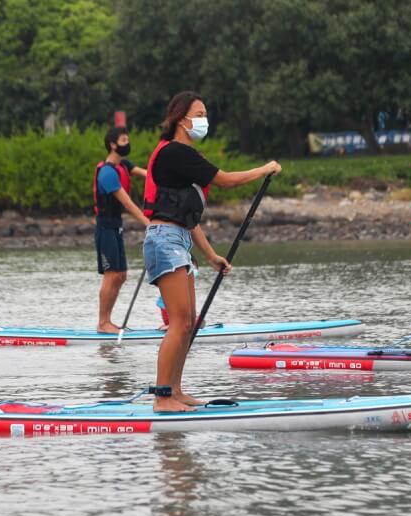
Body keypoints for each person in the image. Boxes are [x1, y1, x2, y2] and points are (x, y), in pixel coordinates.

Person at [143, 91, 281, 412]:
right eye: (199, 114)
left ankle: (175, 390)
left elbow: (188, 219)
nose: (204, 120)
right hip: (164, 240)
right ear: (180, 119)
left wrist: (210, 255)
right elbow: (227, 180)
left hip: (179, 239)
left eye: (205, 114)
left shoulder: (185, 157)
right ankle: (162, 398)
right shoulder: (176, 152)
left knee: (189, 322)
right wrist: (264, 170)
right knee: (178, 323)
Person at [93, 126, 151, 333]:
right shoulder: (107, 173)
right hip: (105, 227)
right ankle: (103, 323)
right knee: (112, 274)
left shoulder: (124, 165)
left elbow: (149, 175)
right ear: (113, 145)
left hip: (116, 227)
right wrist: (148, 223)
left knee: (121, 275)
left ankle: (108, 321)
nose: (128, 143)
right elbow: (127, 203)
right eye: (124, 140)